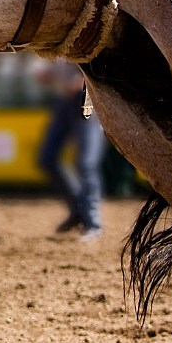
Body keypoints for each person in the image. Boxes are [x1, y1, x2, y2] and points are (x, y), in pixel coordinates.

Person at [35, 60, 103, 240]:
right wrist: (50, 74)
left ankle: (92, 223)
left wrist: (81, 81)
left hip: (87, 100)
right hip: (64, 102)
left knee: (86, 164)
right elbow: (46, 73)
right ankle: (77, 211)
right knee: (47, 158)